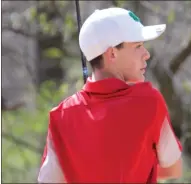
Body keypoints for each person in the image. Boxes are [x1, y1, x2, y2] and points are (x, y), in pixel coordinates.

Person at [37, 7, 182, 183]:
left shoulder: (62, 115)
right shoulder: (149, 101)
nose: (146, 54)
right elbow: (173, 168)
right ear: (112, 53)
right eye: (138, 46)